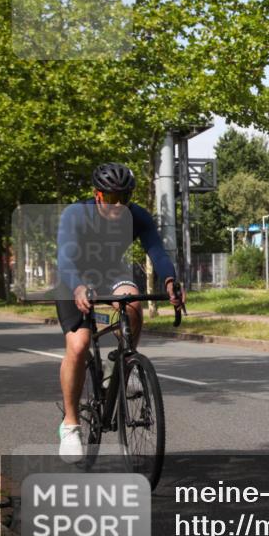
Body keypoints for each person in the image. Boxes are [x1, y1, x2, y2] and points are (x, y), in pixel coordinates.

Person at [55, 163, 183, 462]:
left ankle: (124, 365)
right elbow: (65, 258)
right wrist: (76, 287)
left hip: (111, 272)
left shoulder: (137, 216)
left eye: (123, 199)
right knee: (79, 345)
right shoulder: (76, 214)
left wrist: (169, 280)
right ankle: (71, 425)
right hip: (73, 276)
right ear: (97, 195)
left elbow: (158, 252)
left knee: (134, 304)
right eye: (111, 199)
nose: (118, 206)